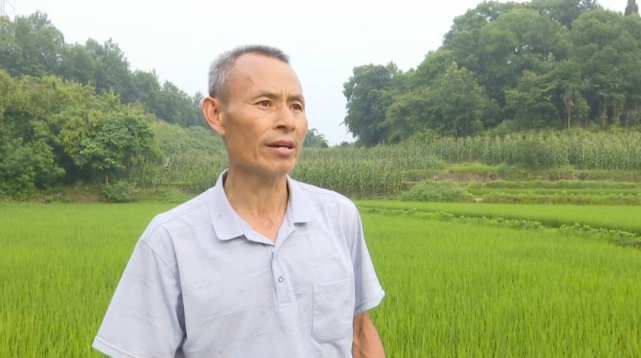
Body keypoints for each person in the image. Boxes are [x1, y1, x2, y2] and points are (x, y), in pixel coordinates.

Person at [92, 45, 386, 358]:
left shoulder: (339, 217)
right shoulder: (170, 242)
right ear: (216, 114)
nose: (287, 120)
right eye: (265, 103)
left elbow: (359, 334)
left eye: (296, 106)